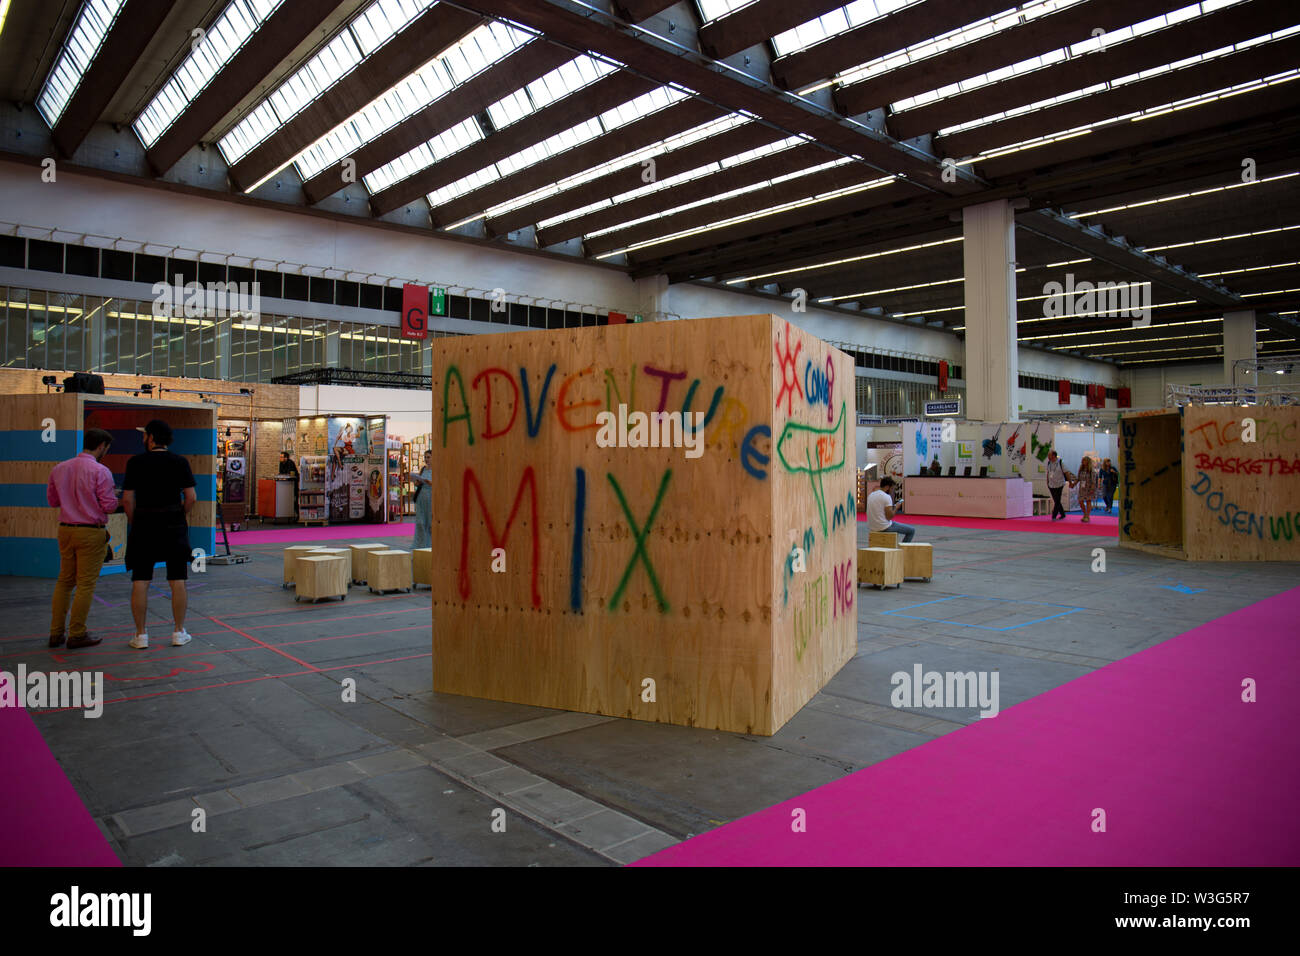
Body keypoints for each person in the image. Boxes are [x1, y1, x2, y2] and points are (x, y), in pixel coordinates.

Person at [122, 419, 197, 650]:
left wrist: (135, 520)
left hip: (144, 525)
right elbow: (191, 497)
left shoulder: (135, 462)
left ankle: (140, 635)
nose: (143, 438)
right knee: (178, 579)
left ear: (151, 438)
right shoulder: (180, 462)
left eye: (144, 435)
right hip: (173, 525)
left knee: (141, 579)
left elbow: (127, 499)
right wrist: (179, 514)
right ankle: (178, 631)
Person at [46, 427, 119, 649]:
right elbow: (109, 506)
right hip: (90, 530)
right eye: (107, 448)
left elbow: (53, 501)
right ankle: (77, 633)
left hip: (65, 529)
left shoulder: (60, 468)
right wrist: (115, 498)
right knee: (85, 584)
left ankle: (56, 632)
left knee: (64, 581)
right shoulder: (101, 471)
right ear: (101, 446)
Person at [866, 476, 916, 542]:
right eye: (892, 488)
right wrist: (896, 507)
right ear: (887, 487)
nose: (892, 491)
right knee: (911, 530)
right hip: (883, 527)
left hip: (872, 526)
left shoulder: (871, 495)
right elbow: (889, 517)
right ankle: (903, 548)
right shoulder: (886, 497)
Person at [411, 450, 433, 550]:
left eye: (428, 457)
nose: (426, 459)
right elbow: (417, 483)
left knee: (429, 522)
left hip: (431, 497)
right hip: (421, 497)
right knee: (420, 522)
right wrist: (417, 482)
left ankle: (429, 545)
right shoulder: (423, 469)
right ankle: (420, 544)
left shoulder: (437, 469)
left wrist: (429, 483)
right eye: (425, 457)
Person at [1045, 450, 1070, 521]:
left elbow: (1066, 472)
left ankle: (1054, 515)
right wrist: (1047, 482)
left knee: (1057, 500)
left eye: (1049, 455)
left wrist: (1070, 482)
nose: (1048, 457)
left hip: (1060, 484)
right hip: (1051, 484)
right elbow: (1048, 473)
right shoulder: (1049, 463)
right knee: (1056, 500)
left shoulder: (1061, 462)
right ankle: (1062, 514)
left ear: (1053, 456)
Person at [1075, 456, 1097, 524]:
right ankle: (1084, 513)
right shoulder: (1081, 469)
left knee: (1088, 501)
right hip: (1082, 488)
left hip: (1089, 487)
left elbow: (1093, 480)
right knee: (1080, 501)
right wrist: (1073, 484)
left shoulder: (1091, 470)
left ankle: (1087, 515)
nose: (1082, 461)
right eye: (1082, 460)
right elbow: (1078, 478)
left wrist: (1092, 489)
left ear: (1087, 461)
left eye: (1084, 460)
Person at [279, 451, 299, 519]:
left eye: (281, 457)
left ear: (286, 458)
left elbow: (290, 474)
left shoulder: (290, 463)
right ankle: (288, 513)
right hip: (286, 484)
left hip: (293, 483)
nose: (280, 458)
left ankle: (296, 514)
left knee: (294, 499)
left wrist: (284, 476)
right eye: (280, 457)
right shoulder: (281, 463)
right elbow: (281, 473)